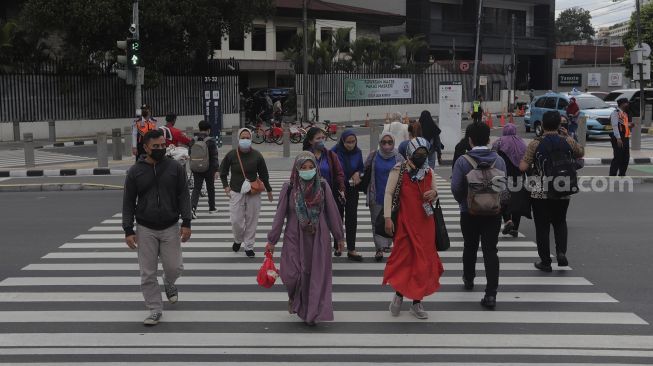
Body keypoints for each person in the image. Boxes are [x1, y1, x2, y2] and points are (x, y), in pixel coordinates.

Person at [265, 152, 345, 326]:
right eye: (303, 167)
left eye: (311, 167)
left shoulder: (323, 186)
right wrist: (272, 240)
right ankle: (294, 297)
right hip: (295, 235)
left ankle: (312, 312)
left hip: (318, 237)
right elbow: (279, 216)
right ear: (296, 168)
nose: (308, 171)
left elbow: (332, 213)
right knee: (292, 274)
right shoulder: (289, 188)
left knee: (315, 276)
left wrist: (339, 237)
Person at [122, 129, 192, 326]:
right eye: (156, 147)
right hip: (145, 228)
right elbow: (128, 202)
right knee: (147, 273)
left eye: (163, 145)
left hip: (170, 226)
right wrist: (128, 229)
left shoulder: (174, 168)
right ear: (146, 148)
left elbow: (183, 196)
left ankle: (169, 282)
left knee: (175, 267)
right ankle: (154, 309)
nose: (161, 149)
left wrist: (186, 222)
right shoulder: (135, 171)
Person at [383, 137, 444, 320]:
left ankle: (417, 302)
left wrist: (433, 193)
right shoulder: (399, 170)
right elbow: (388, 193)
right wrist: (387, 217)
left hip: (426, 225)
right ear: (409, 154)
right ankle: (399, 295)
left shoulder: (429, 171)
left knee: (423, 264)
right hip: (405, 224)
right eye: (417, 154)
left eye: (424, 153)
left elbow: (435, 192)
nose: (421, 157)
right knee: (404, 261)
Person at [519, 111, 584, 272]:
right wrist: (568, 135)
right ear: (559, 125)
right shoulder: (567, 140)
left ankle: (546, 261)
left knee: (542, 227)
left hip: (540, 192)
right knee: (560, 222)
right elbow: (580, 152)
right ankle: (561, 253)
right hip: (563, 189)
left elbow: (523, 167)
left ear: (542, 124)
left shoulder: (535, 143)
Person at [451, 122, 506, 309]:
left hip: (469, 213)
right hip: (493, 213)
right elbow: (502, 188)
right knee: (491, 250)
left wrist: (465, 203)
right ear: (489, 139)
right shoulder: (498, 160)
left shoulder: (462, 161)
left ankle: (469, 278)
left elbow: (456, 188)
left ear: (470, 140)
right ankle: (491, 294)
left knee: (470, 246)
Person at [220, 128, 273, 258]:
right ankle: (238, 239)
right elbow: (223, 171)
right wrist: (226, 187)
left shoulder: (257, 155)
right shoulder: (231, 154)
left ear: (251, 139)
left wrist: (269, 190)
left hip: (253, 192)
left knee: (252, 220)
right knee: (236, 221)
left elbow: (264, 174)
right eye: (242, 138)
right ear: (238, 139)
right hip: (236, 191)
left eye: (247, 138)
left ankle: (249, 245)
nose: (245, 140)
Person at [303, 127, 346, 255]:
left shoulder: (331, 155)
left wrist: (341, 189)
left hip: (328, 195)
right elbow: (296, 174)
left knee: (331, 220)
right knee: (315, 223)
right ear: (311, 141)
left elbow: (339, 173)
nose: (321, 140)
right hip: (310, 197)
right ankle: (316, 249)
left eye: (323, 138)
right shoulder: (305, 156)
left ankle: (333, 245)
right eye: (318, 138)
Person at [364, 132, 405, 262]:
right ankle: (379, 249)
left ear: (393, 143)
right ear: (380, 143)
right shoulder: (373, 155)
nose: (386, 145)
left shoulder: (399, 158)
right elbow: (365, 169)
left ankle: (387, 243)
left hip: (394, 198)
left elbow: (405, 175)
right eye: (384, 142)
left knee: (392, 222)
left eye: (389, 142)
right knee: (376, 222)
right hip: (377, 194)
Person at [331, 129, 364, 261]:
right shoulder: (334, 152)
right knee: (337, 217)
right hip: (338, 188)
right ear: (342, 141)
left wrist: (358, 173)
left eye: (353, 141)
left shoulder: (358, 152)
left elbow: (361, 167)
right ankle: (338, 246)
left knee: (352, 217)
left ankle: (351, 248)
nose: (351, 144)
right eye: (348, 142)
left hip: (352, 188)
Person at [491, 123, 528, 237]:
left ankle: (508, 220)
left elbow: (492, 156)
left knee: (503, 200)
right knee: (516, 203)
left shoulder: (498, 142)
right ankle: (515, 228)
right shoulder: (522, 142)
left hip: (502, 175)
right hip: (519, 176)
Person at [190, 120, 219, 218]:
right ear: (208, 130)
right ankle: (212, 208)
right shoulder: (211, 140)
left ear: (199, 129)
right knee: (210, 188)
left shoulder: (193, 140)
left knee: (196, 188)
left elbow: (190, 153)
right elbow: (214, 156)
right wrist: (216, 170)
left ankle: (192, 208)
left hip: (196, 167)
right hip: (209, 168)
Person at [609, 98, 631, 177]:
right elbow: (615, 126)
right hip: (618, 137)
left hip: (625, 137)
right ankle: (612, 175)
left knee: (626, 157)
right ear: (622, 104)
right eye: (626, 103)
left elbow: (623, 125)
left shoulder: (624, 114)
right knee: (618, 157)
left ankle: (622, 174)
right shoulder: (615, 113)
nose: (628, 105)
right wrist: (618, 138)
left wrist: (629, 125)